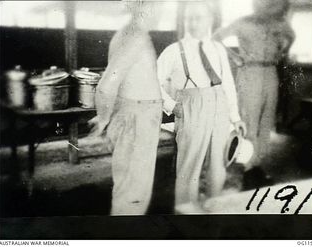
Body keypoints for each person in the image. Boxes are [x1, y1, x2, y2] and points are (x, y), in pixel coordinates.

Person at [157, 1, 246, 208]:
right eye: (190, 18)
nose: (194, 22)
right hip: (191, 108)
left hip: (220, 108)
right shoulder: (173, 50)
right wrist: (172, 106)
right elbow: (151, 82)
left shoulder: (218, 49)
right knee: (189, 168)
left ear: (210, 20)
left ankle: (211, 213)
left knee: (219, 165)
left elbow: (228, 85)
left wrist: (235, 117)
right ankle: (186, 217)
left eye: (199, 17)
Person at [89, 0, 163, 215]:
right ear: (145, 7)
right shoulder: (136, 37)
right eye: (159, 5)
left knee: (129, 189)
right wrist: (103, 117)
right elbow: (107, 84)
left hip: (135, 114)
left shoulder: (129, 34)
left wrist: (106, 115)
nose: (161, 11)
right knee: (133, 194)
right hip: (137, 119)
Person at [213, 0, 295, 175]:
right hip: (250, 71)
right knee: (250, 118)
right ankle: (248, 164)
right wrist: (234, 56)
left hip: (271, 71)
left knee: (267, 118)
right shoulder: (243, 22)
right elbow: (216, 38)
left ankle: (259, 162)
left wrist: (283, 50)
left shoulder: (278, 23)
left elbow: (291, 35)